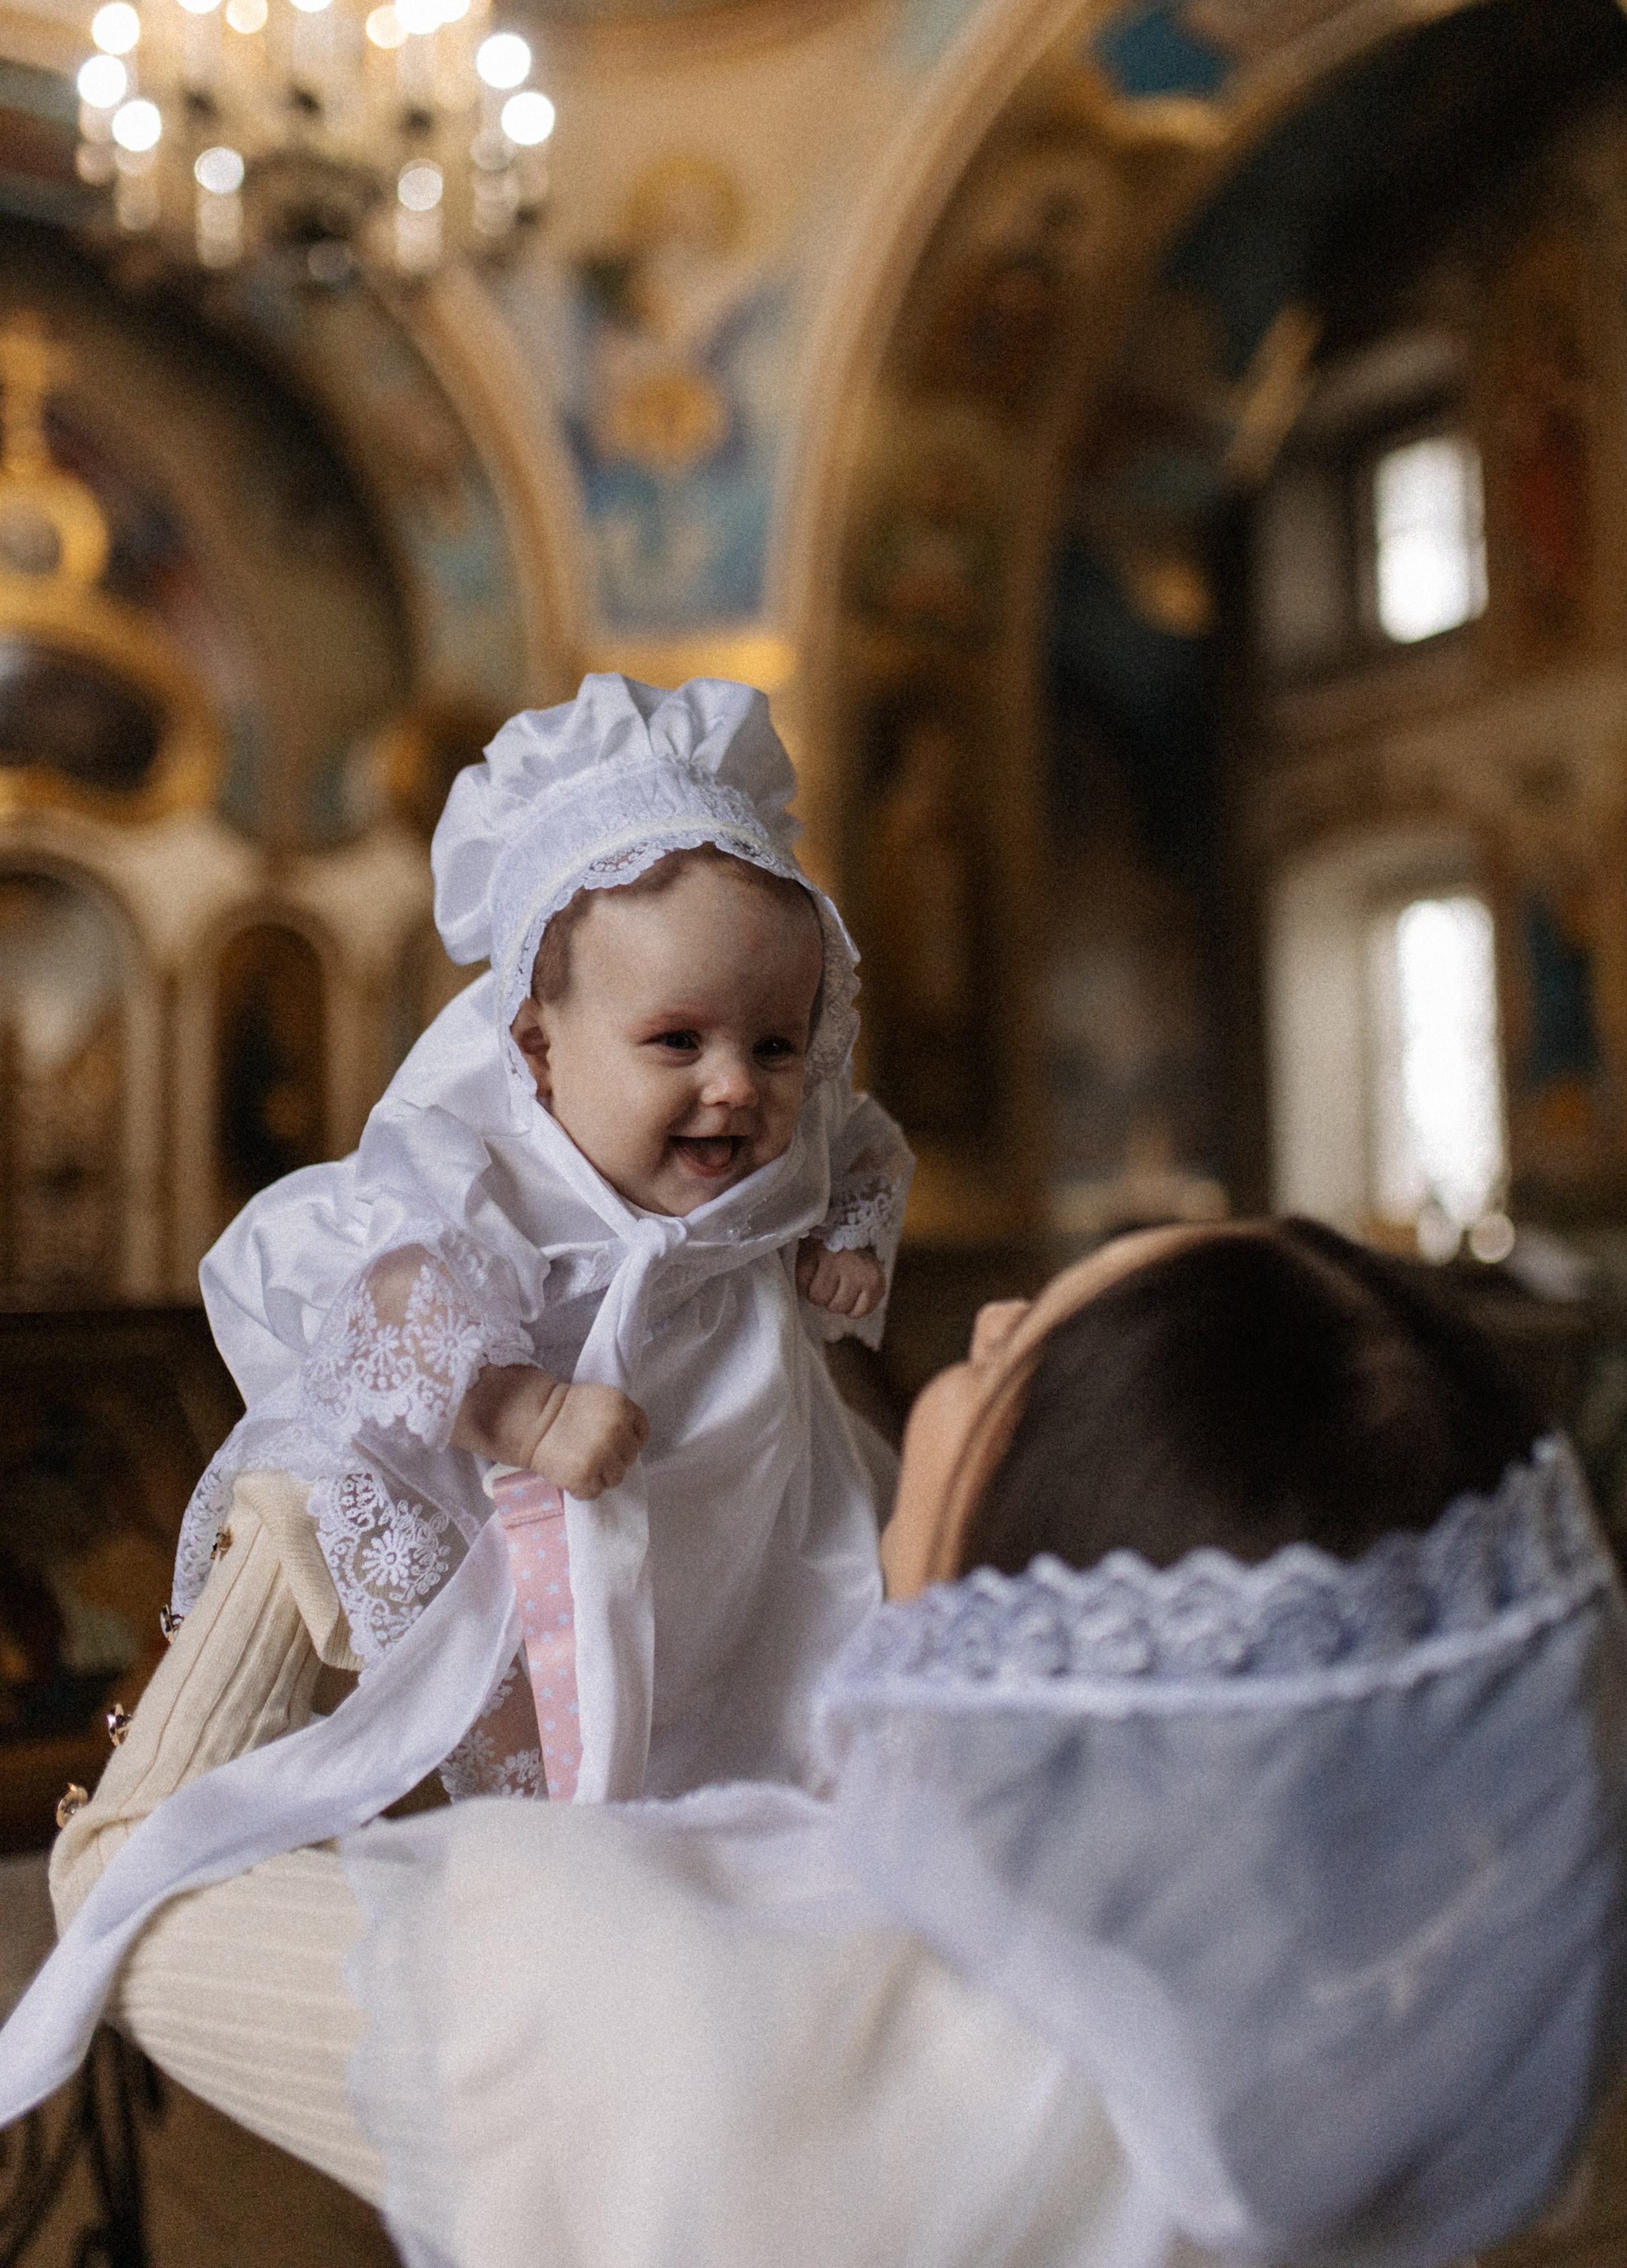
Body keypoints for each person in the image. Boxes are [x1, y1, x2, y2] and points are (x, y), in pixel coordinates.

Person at [21, 1219, 1627, 2268]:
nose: (982, 1314)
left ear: (1042, 1557)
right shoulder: (1364, 2062)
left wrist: (318, 1453)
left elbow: (132, 1892)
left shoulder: (640, 1988)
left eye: (1005, 1359)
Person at [0, 671, 911, 2125]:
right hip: (567, 1501)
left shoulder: (789, 1140)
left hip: (744, 1496)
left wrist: (850, 1239)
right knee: (563, 1776)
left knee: (781, 1714)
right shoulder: (472, 1163)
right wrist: (519, 1411)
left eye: (776, 1044)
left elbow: (860, 1148)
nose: (737, 1091)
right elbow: (384, 1309)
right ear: (537, 1048)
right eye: (677, 1044)